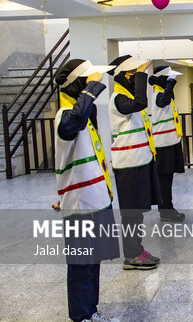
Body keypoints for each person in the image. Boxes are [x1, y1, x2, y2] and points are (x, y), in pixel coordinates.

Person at [54, 59, 120, 322]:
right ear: (80, 85)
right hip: (80, 204)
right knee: (82, 264)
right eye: (89, 82)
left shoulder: (84, 118)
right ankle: (81, 315)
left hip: (95, 200)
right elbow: (74, 121)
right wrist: (91, 86)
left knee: (94, 262)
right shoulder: (65, 116)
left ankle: (90, 311)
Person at [108, 55, 160, 270]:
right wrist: (141, 73)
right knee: (130, 213)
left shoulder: (125, 96)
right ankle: (131, 256)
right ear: (122, 77)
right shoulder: (118, 98)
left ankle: (137, 249)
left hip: (138, 161)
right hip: (128, 164)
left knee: (136, 212)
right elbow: (140, 102)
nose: (136, 79)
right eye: (132, 75)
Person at [148, 65, 186, 222]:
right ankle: (165, 210)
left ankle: (168, 208)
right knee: (164, 179)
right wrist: (170, 83)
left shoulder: (163, 93)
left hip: (170, 142)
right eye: (170, 78)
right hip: (162, 145)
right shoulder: (157, 94)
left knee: (167, 178)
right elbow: (163, 101)